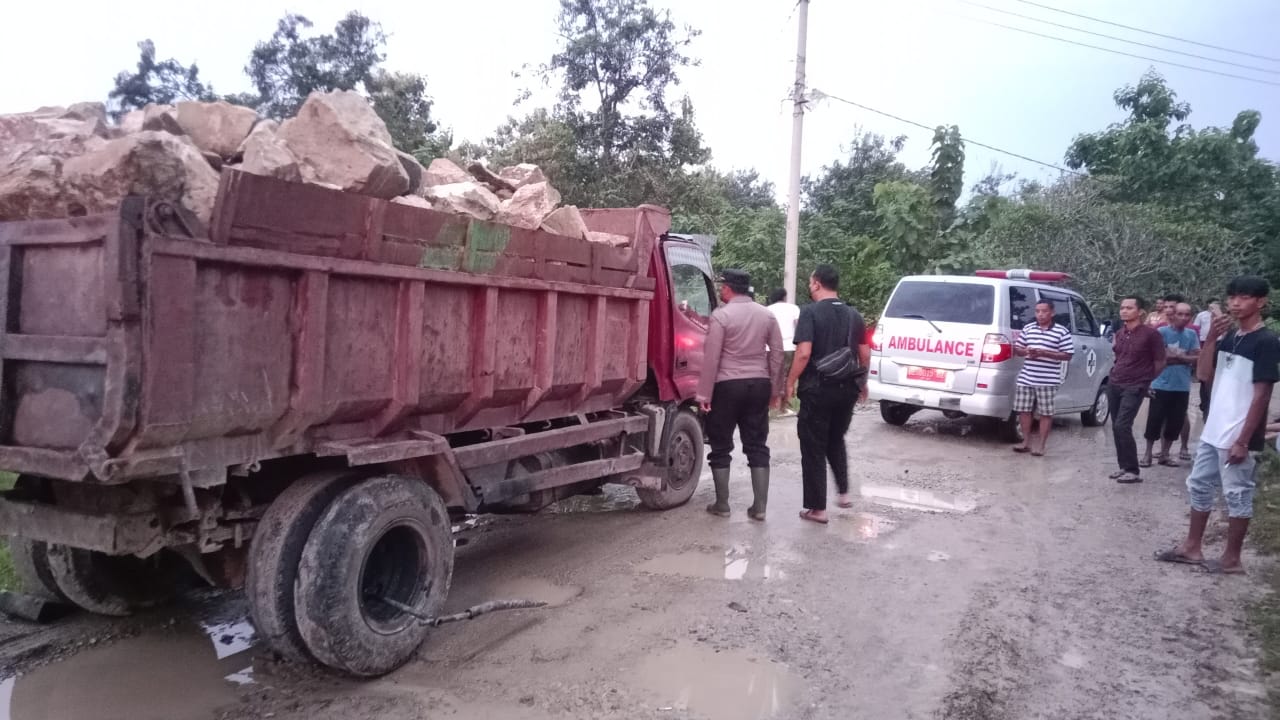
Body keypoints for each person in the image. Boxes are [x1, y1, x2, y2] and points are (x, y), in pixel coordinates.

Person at [1156, 276, 1280, 575]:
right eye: (1232, 297)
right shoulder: (1230, 337)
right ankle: (1192, 546)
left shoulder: (1266, 341)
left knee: (1237, 493)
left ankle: (1232, 559)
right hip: (1214, 429)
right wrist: (1211, 338)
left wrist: (1243, 439)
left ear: (1261, 302)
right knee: (1198, 485)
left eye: (1244, 297)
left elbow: (1262, 395)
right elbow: (1204, 374)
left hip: (1237, 433)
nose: (1235, 303)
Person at [697, 269, 785, 521]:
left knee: (721, 444)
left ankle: (722, 504)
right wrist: (775, 388)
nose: (720, 290)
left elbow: (711, 357)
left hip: (727, 386)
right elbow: (777, 353)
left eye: (722, 286)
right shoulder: (766, 315)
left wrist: (704, 393)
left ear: (729, 288)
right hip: (758, 384)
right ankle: (759, 508)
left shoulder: (721, 316)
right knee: (757, 444)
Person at [786, 264, 868, 524]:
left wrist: (790, 382)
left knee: (813, 446)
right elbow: (864, 354)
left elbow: (804, 353)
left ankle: (817, 509)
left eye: (811, 282)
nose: (810, 287)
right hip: (846, 390)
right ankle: (843, 493)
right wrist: (862, 383)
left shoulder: (809, 313)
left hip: (817, 389)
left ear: (817, 284)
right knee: (836, 438)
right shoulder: (854, 315)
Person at [1107, 296, 1167, 484]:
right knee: (1116, 426)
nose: (1124, 311)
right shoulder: (1120, 332)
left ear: (1140, 311)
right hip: (1115, 382)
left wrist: (1146, 381)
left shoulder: (1151, 334)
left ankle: (1133, 470)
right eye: (1122, 307)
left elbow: (1160, 361)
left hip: (1135, 385)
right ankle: (1123, 466)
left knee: (1122, 425)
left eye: (1129, 308)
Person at [1010, 300, 1074, 456]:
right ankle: (1025, 442)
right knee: (1024, 411)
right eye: (1037, 311)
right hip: (1026, 377)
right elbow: (1017, 349)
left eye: (1044, 311)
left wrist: (1045, 353)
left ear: (1052, 313)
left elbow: (1068, 355)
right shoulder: (1028, 328)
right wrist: (1026, 351)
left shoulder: (1061, 331)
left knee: (1045, 413)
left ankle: (1041, 446)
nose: (1040, 314)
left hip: (1048, 379)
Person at [1140, 302, 1199, 468]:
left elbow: (1197, 357)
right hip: (1160, 383)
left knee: (1176, 421)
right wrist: (1183, 357)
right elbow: (1159, 356)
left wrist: (1176, 357)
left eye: (1187, 315)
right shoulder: (1161, 332)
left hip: (1182, 386)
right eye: (1180, 314)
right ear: (1172, 315)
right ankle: (1148, 454)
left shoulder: (1191, 335)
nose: (1183, 318)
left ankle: (1165, 454)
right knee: (1154, 419)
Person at [766, 288, 801, 416]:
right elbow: (799, 327)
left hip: (770, 348)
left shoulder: (767, 309)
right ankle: (783, 407)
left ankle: (771, 405)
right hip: (789, 347)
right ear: (784, 297)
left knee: (772, 376)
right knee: (786, 377)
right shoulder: (793, 309)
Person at [1195, 301, 1222, 418]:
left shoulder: (1228, 333)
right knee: (1204, 381)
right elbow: (1202, 374)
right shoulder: (1202, 315)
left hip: (1219, 343)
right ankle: (1205, 404)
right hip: (1205, 341)